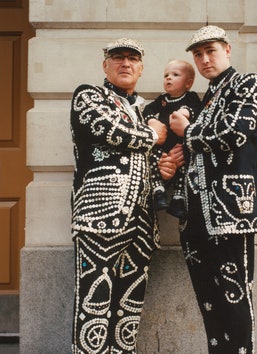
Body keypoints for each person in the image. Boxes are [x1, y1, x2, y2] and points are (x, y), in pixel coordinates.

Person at [70, 38, 176, 353]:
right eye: (118, 58)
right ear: (106, 65)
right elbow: (109, 129)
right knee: (94, 303)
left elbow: (148, 160)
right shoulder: (88, 96)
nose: (125, 64)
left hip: (142, 223)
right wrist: (153, 135)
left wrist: (165, 169)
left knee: (129, 306)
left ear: (141, 68)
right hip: (100, 216)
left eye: (132, 59)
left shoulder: (146, 109)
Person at [169, 25, 257, 353]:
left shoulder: (248, 84)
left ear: (227, 49)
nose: (204, 59)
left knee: (235, 296)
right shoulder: (206, 98)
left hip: (231, 210)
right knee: (209, 301)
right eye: (197, 54)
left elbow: (235, 133)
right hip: (196, 215)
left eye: (210, 50)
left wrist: (190, 131)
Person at [143, 59, 201, 218]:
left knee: (185, 166)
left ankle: (178, 199)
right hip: (162, 146)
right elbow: (147, 110)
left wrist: (187, 112)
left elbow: (198, 109)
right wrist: (151, 120)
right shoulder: (162, 100)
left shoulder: (191, 97)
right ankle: (158, 192)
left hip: (180, 146)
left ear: (188, 83)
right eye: (166, 75)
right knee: (153, 159)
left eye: (175, 75)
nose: (168, 78)